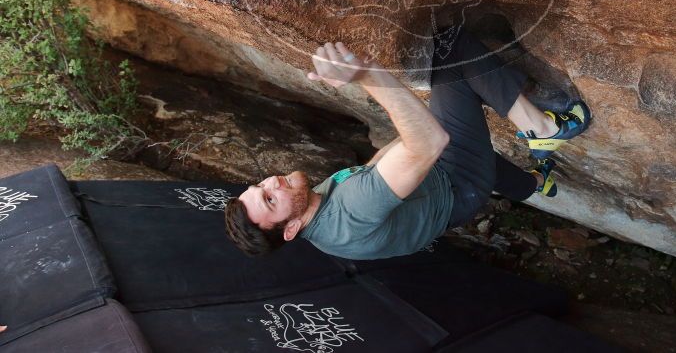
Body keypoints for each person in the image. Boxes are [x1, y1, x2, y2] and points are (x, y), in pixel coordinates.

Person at [224, 32, 590, 259]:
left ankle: (534, 183)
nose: (271, 182)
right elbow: (431, 143)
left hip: (442, 197)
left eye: (259, 186)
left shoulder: (315, 213)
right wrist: (369, 76)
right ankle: (541, 128)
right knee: (452, 50)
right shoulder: (349, 214)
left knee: (468, 146)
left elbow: (374, 170)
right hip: (459, 186)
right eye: (269, 200)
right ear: (289, 230)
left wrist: (416, 132)